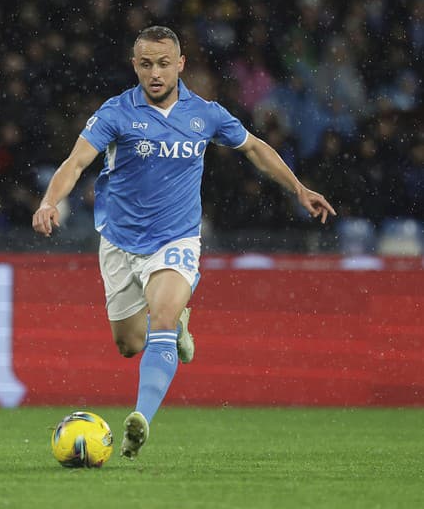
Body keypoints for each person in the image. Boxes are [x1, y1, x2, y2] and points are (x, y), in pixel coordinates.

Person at [32, 26, 335, 461]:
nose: (155, 73)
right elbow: (76, 161)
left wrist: (298, 188)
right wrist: (49, 201)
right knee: (128, 345)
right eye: (145, 64)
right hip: (119, 242)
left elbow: (254, 147)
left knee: (162, 314)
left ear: (180, 64)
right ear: (135, 65)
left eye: (163, 63)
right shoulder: (116, 112)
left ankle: (141, 419)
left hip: (176, 239)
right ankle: (175, 332)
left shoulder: (206, 114)